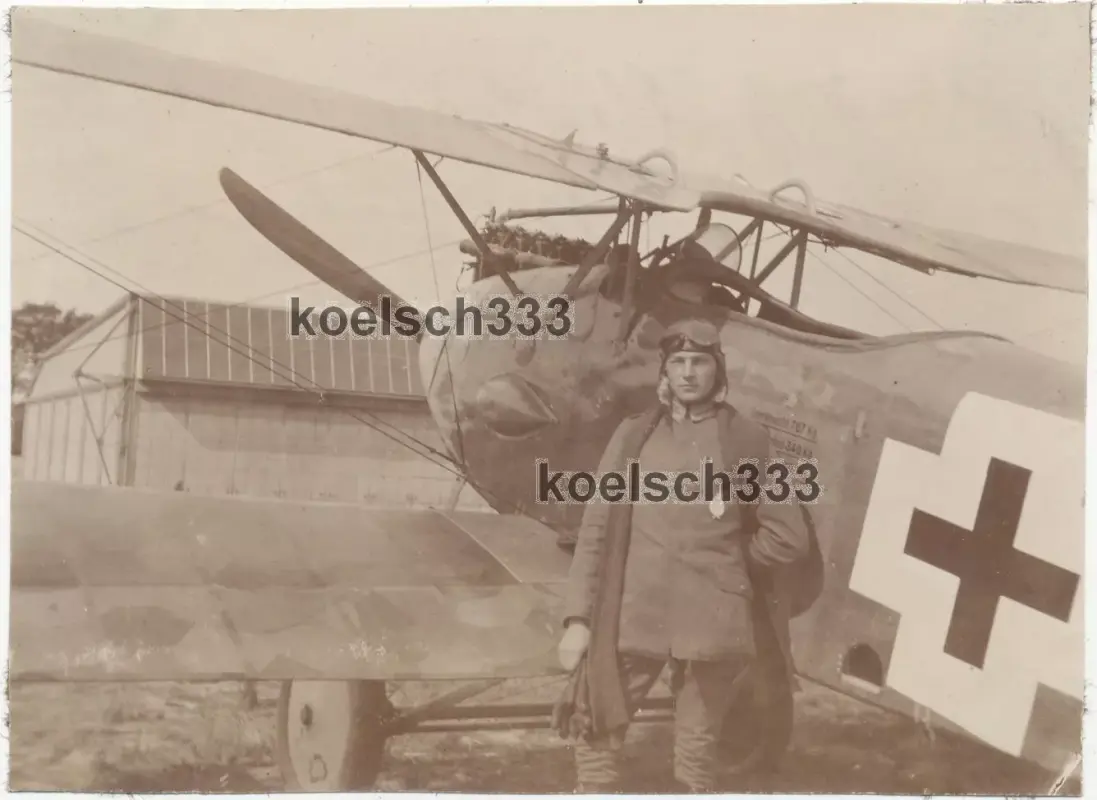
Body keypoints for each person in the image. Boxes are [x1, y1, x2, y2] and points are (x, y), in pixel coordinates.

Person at [551, 316, 811, 793]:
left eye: (700, 363)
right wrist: (577, 620)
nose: (689, 372)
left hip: (713, 622)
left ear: (718, 371)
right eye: (679, 363)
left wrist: (730, 565)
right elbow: (596, 532)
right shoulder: (634, 437)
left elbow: (789, 536)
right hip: (635, 616)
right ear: (665, 373)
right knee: (595, 723)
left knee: (696, 747)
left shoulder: (745, 441)